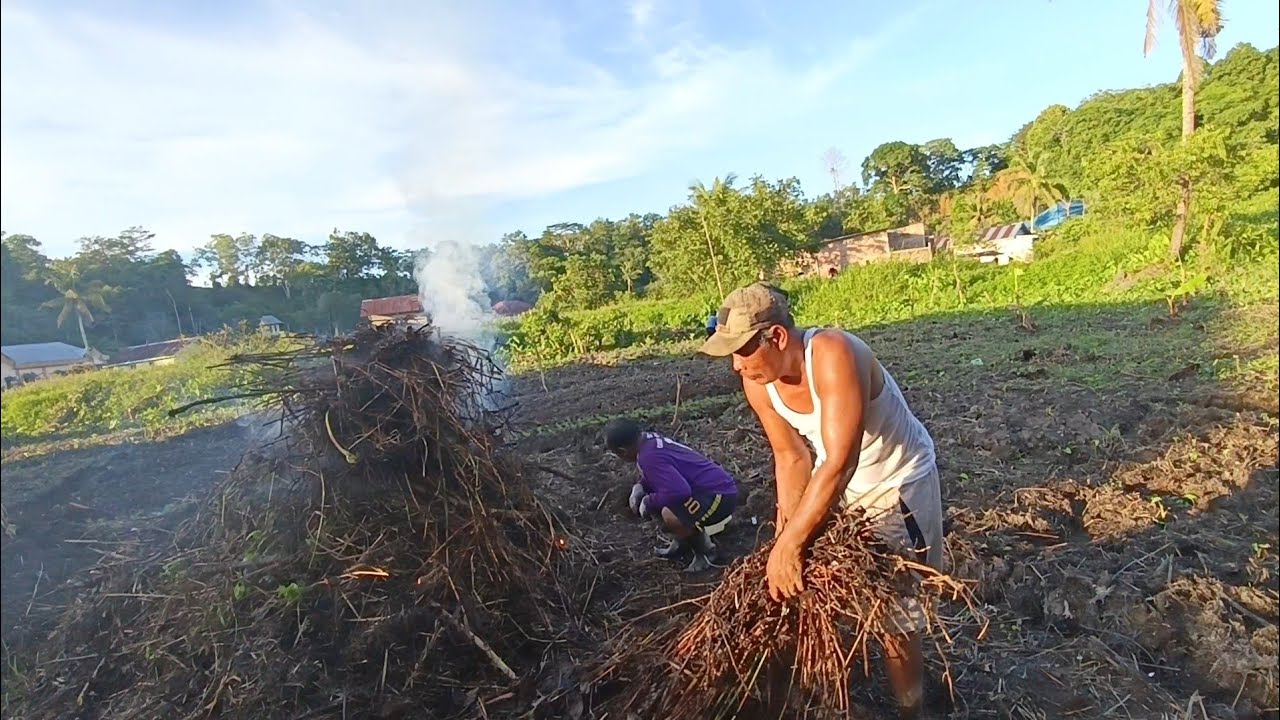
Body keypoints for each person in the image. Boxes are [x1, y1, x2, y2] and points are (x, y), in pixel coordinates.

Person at [699, 282, 943, 720]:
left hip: (898, 484)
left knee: (898, 610)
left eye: (741, 351)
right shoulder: (761, 382)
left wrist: (793, 545)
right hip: (841, 486)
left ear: (775, 337)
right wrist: (783, 538)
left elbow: (839, 460)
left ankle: (914, 710)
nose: (735, 366)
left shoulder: (832, 353)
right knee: (816, 583)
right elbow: (791, 458)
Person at [604, 418, 739, 572]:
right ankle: (682, 541)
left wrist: (649, 502)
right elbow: (663, 475)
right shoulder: (649, 441)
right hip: (710, 487)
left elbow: (679, 491)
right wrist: (641, 486)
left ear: (622, 451)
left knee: (671, 514)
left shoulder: (648, 457)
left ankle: (706, 552)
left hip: (718, 495)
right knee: (662, 500)